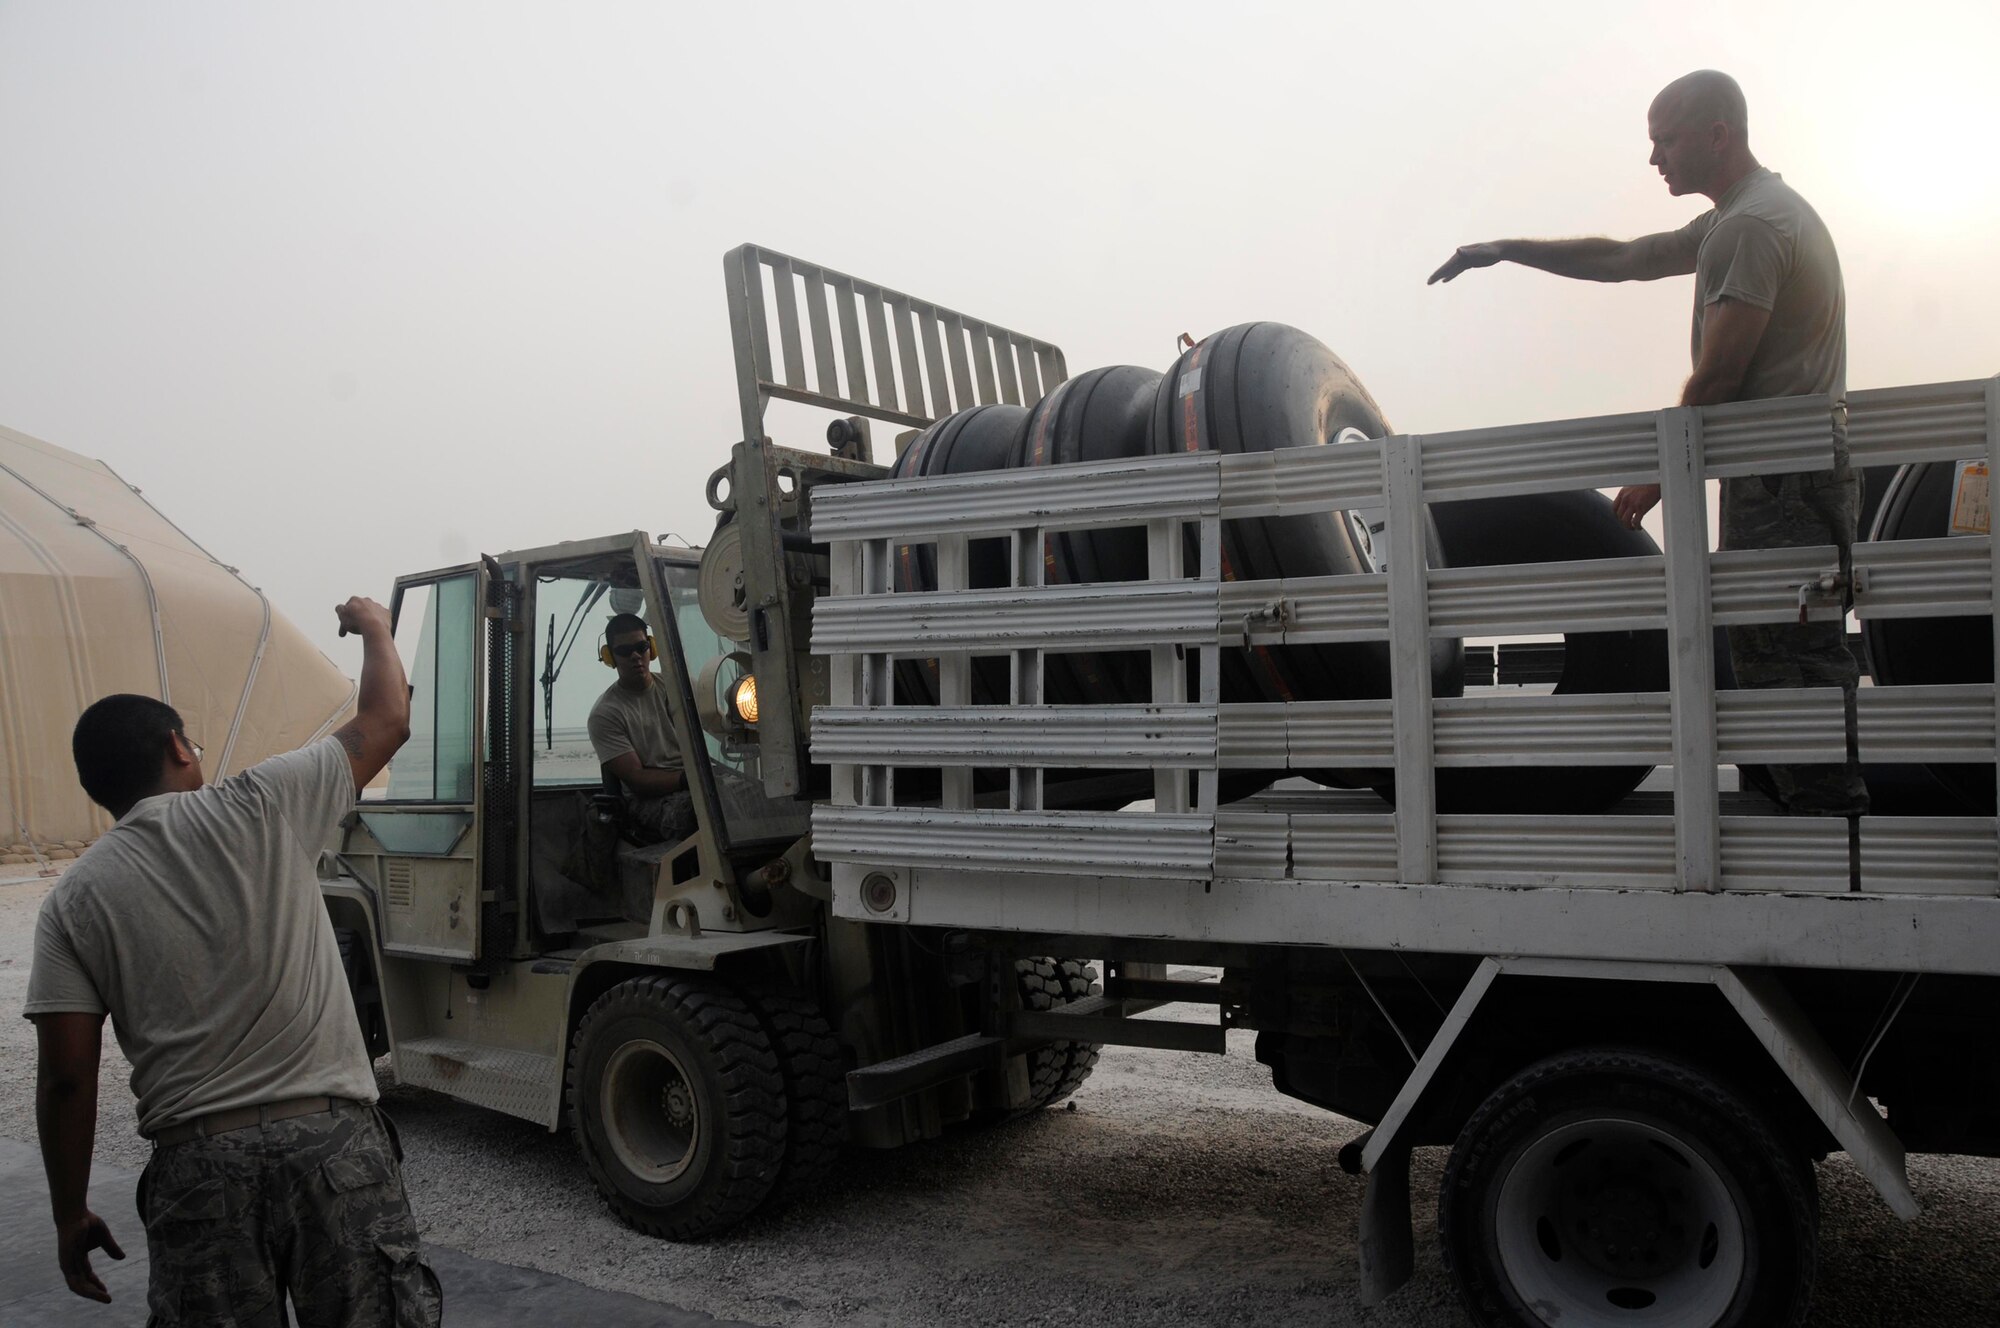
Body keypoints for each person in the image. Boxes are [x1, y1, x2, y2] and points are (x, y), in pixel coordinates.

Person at [1428, 69, 1867, 816]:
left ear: (1717, 135)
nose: (1655, 157)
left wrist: (1656, 477)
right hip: (1783, 475)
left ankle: (1830, 832)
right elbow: (1626, 258)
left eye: (1665, 139)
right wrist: (1505, 248)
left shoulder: (1750, 227)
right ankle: (1807, 816)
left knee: (1786, 658)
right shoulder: (1745, 214)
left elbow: (1720, 374)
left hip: (1785, 479)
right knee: (1771, 652)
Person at [24, 596, 442, 1324]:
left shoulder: (74, 900)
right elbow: (387, 719)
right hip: (334, 1149)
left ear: (100, 792)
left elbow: (66, 1077)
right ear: (179, 748)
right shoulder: (264, 804)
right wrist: (375, 625)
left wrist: (69, 1213)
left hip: (197, 1171)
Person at [587, 612, 694, 843]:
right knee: (698, 812)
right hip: (647, 802)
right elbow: (637, 780)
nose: (635, 656)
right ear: (610, 657)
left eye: (641, 647)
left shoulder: (678, 687)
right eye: (625, 651)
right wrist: (689, 779)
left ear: (652, 648)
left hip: (695, 783)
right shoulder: (605, 713)